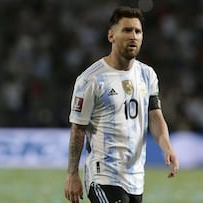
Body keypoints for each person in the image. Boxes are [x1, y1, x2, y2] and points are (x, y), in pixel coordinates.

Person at [64, 6, 179, 203]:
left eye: (138, 31)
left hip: (135, 177)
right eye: (126, 30)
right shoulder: (90, 79)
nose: (133, 36)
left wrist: (167, 146)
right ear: (111, 36)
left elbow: (155, 116)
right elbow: (78, 129)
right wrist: (72, 174)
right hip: (103, 175)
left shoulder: (147, 74)